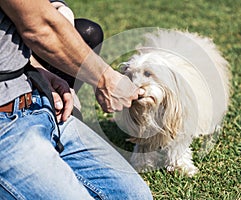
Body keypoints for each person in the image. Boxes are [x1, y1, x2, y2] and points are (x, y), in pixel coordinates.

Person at [0, 0, 152, 199]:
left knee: (135, 196)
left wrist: (30, 70)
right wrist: (105, 78)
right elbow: (41, 27)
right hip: (5, 124)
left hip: (35, 103)